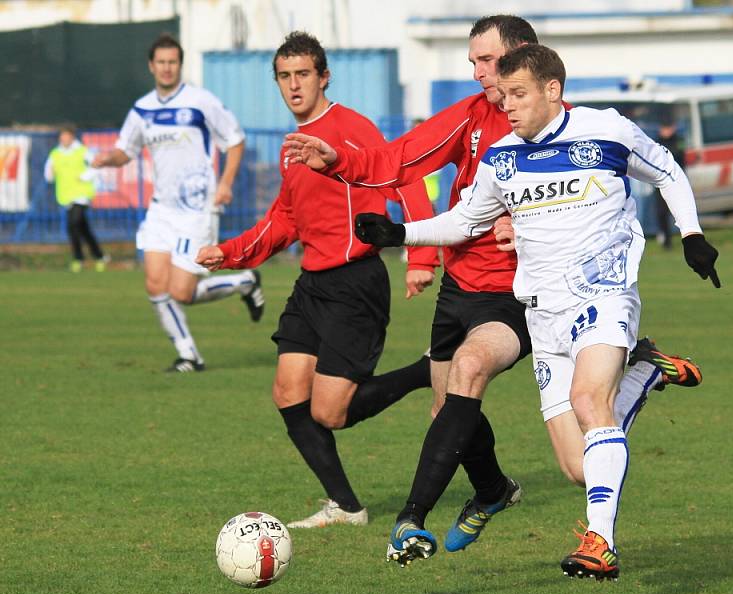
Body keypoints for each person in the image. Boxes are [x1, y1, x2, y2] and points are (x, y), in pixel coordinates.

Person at [284, 15, 702, 567]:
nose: (488, 84)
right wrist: (388, 218)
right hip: (508, 302)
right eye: (481, 70)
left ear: (538, 74)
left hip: (569, 297)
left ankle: (578, 539)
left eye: (495, 70)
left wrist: (692, 234)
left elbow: (665, 171)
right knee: (564, 460)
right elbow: (443, 199)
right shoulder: (496, 147)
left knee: (536, 388)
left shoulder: (603, 129)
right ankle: (633, 380)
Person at [195, 32, 438, 529]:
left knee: (330, 412)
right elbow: (284, 219)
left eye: (302, 74)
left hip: (356, 283)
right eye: (284, 76)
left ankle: (426, 370)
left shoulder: (350, 129)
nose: (293, 85)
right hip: (313, 285)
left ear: (323, 76)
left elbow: (406, 179)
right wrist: (230, 253)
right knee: (288, 392)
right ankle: (346, 507)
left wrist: (422, 257)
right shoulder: (293, 148)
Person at [92, 34, 264, 373]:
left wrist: (225, 183)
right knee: (155, 286)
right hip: (161, 210)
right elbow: (125, 150)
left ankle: (245, 282)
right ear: (151, 66)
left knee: (182, 292)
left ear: (179, 65)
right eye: (161, 62)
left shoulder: (200, 101)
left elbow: (235, 140)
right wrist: (106, 159)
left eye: (173, 62)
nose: (167, 68)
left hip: (196, 211)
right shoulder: (142, 108)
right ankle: (189, 355)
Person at [44, 124, 107, 273]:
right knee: (83, 228)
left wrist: (84, 176)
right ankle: (99, 256)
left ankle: (78, 259)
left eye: (67, 136)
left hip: (82, 195)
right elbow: (48, 176)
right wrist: (51, 173)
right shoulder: (55, 153)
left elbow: (97, 165)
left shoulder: (82, 151)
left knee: (72, 224)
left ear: (72, 137)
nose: (64, 139)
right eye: (62, 136)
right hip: (66, 196)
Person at [655, 118, 686, 249]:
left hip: (676, 181)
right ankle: (666, 240)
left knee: (682, 212)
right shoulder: (656, 141)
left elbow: (680, 157)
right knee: (661, 212)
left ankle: (690, 238)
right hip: (660, 181)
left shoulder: (678, 140)